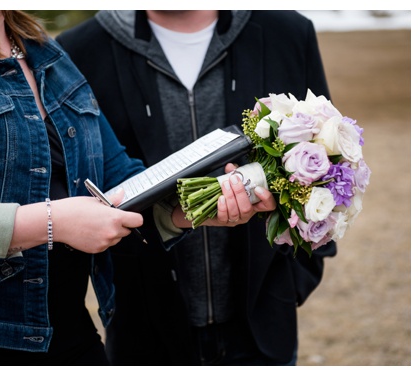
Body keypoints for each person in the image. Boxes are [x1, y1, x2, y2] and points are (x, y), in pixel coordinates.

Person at [0, 10, 269, 366]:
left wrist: (200, 206)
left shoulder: (43, 49)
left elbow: (121, 181)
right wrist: (52, 222)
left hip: (65, 330)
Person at [56, 10, 336, 365]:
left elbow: (326, 156)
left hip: (263, 326)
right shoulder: (80, 50)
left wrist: (295, 281)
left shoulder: (288, 32)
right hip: (143, 330)